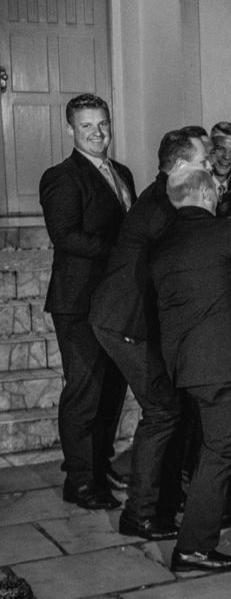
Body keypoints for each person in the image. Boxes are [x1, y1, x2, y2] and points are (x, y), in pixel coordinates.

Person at [149, 166, 231, 572]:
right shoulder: (224, 231)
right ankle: (193, 547)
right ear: (208, 193)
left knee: (209, 445)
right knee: (222, 450)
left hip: (182, 364)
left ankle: (222, 512)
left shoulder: (161, 241)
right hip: (219, 363)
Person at [89, 129, 212, 539]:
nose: (209, 166)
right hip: (126, 321)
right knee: (162, 412)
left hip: (134, 319)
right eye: (203, 160)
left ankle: (163, 504)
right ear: (179, 166)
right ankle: (138, 515)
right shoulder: (163, 207)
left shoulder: (168, 195)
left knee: (170, 409)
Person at [39, 94, 135, 510]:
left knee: (113, 387)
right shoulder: (62, 176)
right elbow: (66, 236)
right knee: (85, 389)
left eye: (103, 124)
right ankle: (78, 481)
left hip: (115, 301)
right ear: (70, 130)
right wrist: (122, 250)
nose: (97, 134)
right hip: (77, 301)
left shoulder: (123, 172)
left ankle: (99, 465)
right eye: (87, 127)